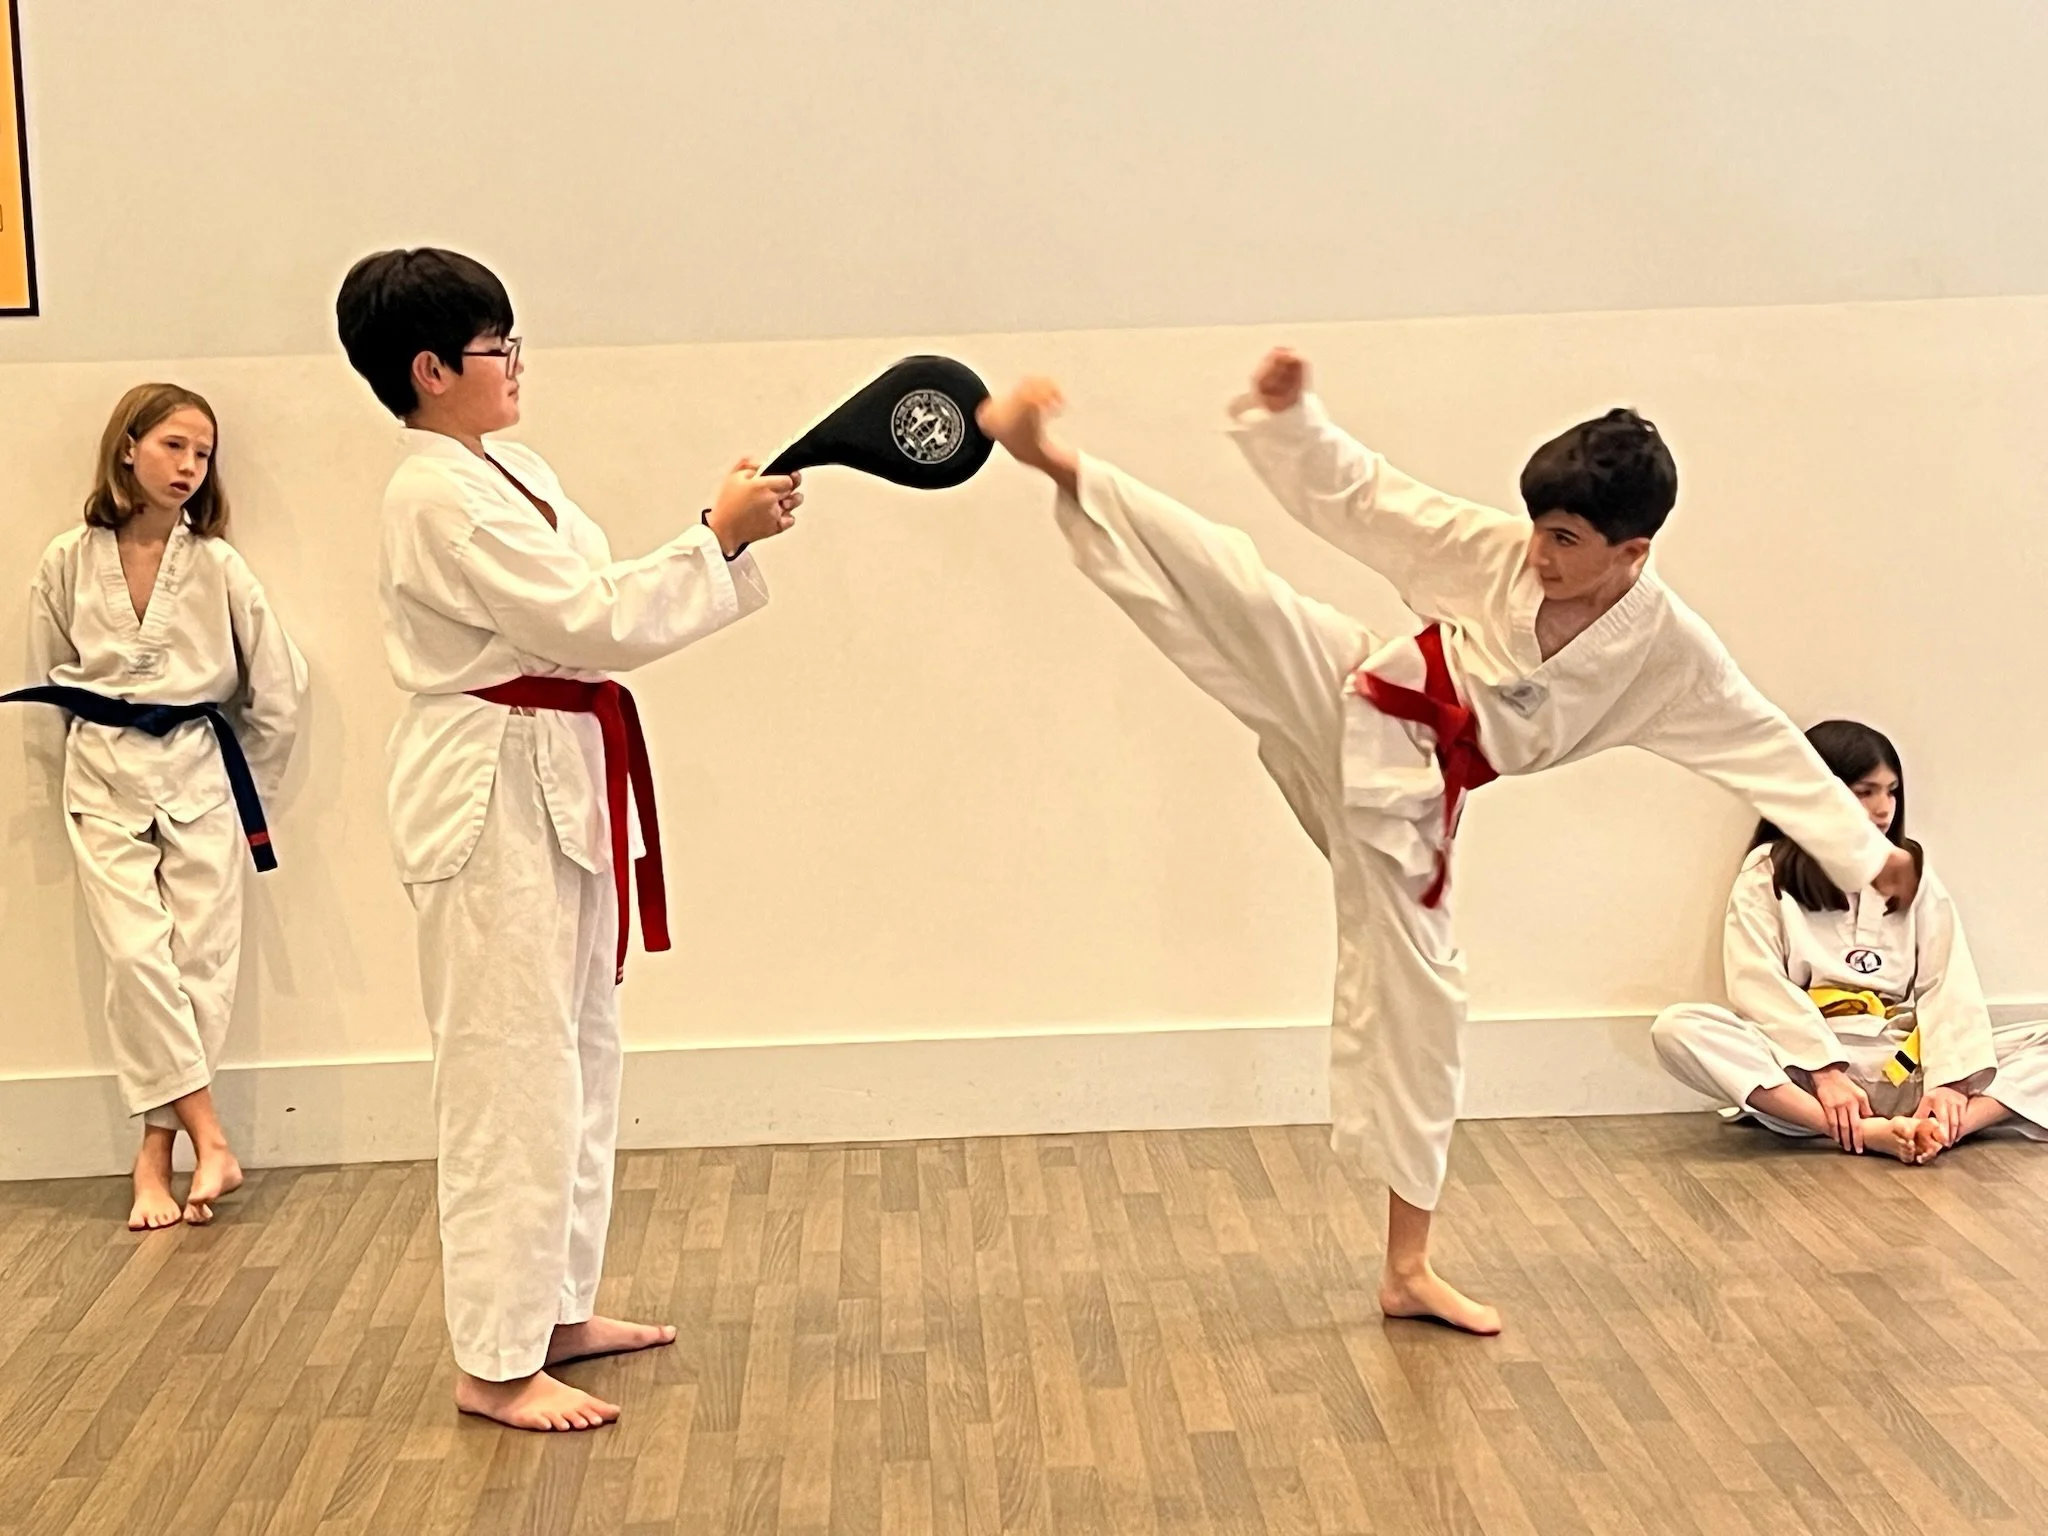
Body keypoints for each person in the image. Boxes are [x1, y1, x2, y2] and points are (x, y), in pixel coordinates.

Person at [973, 353, 1918, 1334]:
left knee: (1422, 1010)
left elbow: (1760, 745)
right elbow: (1373, 501)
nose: (1540, 555)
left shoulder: (1669, 656)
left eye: (1565, 539)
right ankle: (1055, 462)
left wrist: (1860, 849)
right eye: (1539, 528)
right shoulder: (1497, 554)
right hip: (1356, 693)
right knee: (1239, 589)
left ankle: (1406, 1266)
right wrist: (1292, 420)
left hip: (1408, 806)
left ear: (1630, 553)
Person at [337, 247, 802, 1430]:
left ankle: (549, 1309)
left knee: (580, 1051)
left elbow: (587, 596)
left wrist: (719, 537)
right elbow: (582, 617)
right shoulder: (429, 494)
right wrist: (716, 537)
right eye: (498, 348)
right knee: (506, 1068)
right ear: (431, 368)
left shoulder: (512, 469)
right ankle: (491, 1361)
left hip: (559, 776)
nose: (515, 366)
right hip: (486, 787)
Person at [12, 383, 305, 1229]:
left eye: (203, 454)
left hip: (200, 772)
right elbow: (45, 687)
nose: (188, 467)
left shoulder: (216, 565)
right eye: (174, 446)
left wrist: (254, 791)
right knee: (139, 960)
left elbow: (278, 689)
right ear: (128, 446)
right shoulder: (67, 558)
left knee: (198, 965)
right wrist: (46, 803)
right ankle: (210, 1135)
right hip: (100, 775)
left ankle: (155, 1156)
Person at [1652, 719, 2047, 1160]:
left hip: (1901, 1064)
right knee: (1678, 1027)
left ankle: (1942, 1127)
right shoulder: (1769, 871)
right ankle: (1862, 1131)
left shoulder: (1910, 870)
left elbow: (1946, 981)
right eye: (1865, 792)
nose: (1884, 809)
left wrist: (1951, 1083)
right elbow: (1756, 983)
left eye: (1892, 791)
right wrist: (1825, 1072)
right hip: (1810, 1080)